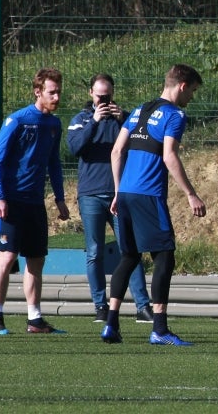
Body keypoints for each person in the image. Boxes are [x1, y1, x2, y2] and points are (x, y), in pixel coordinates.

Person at [100, 64, 207, 346]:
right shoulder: (175, 115)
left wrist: (117, 191)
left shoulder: (139, 110)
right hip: (148, 194)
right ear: (182, 86)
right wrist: (191, 194)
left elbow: (116, 151)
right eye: (193, 91)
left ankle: (111, 324)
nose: (192, 97)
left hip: (125, 193)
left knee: (129, 257)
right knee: (164, 256)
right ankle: (159, 329)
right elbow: (169, 156)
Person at [0, 67, 71, 335]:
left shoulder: (54, 124)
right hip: (12, 201)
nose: (57, 97)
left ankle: (34, 319)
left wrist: (60, 198)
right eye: (52, 92)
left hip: (35, 203)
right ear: (38, 92)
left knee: (36, 259)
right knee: (7, 256)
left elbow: (53, 164)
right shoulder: (18, 120)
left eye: (58, 92)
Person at [67, 73, 153, 324]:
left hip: (120, 192)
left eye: (108, 96)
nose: (103, 100)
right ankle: (100, 306)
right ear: (91, 94)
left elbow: (143, 142)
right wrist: (94, 121)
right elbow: (75, 148)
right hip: (91, 194)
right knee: (95, 252)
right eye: (99, 96)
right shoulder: (81, 119)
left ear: (113, 93)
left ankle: (142, 306)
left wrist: (123, 119)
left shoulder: (125, 119)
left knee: (130, 249)